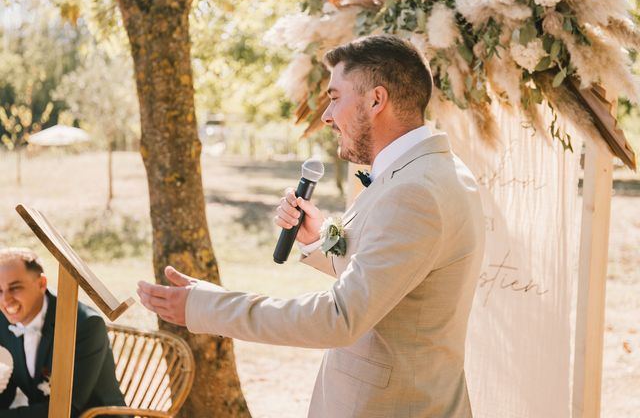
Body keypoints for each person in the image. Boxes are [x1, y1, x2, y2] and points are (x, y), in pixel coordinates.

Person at [138, 34, 486, 417]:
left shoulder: (415, 191)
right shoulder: (433, 170)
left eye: (335, 98)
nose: (326, 115)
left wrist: (207, 306)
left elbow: (340, 317)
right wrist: (320, 240)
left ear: (376, 100)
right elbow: (397, 280)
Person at [0, 248, 125, 417]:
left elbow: (69, 409)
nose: (5, 300)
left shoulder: (85, 325)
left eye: (15, 288)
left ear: (41, 284)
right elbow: (7, 388)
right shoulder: (3, 319)